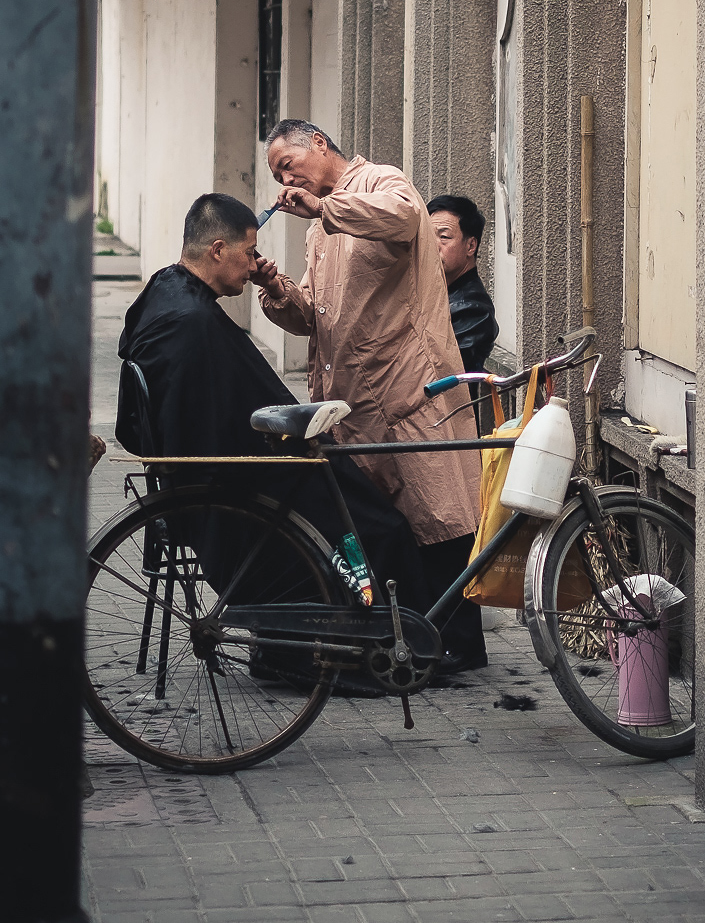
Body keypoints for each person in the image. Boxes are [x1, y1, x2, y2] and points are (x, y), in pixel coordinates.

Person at [115, 193, 428, 616]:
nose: (252, 266)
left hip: (211, 471)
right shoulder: (192, 324)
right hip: (238, 483)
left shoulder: (166, 290)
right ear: (218, 250)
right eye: (249, 253)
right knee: (382, 528)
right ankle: (386, 634)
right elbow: (225, 434)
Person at [253, 121, 487, 672]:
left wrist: (324, 208)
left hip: (408, 391)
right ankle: (412, 639)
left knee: (440, 519)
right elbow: (314, 317)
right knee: (388, 527)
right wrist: (274, 286)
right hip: (355, 403)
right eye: (277, 176)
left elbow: (405, 217)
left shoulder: (382, 181)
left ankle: (457, 648)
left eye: (288, 165)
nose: (285, 181)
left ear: (318, 143)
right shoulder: (317, 232)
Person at [426, 194, 499, 376]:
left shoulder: (472, 309)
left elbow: (431, 370)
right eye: (427, 236)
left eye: (444, 237)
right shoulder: (438, 291)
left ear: (470, 246)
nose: (433, 245)